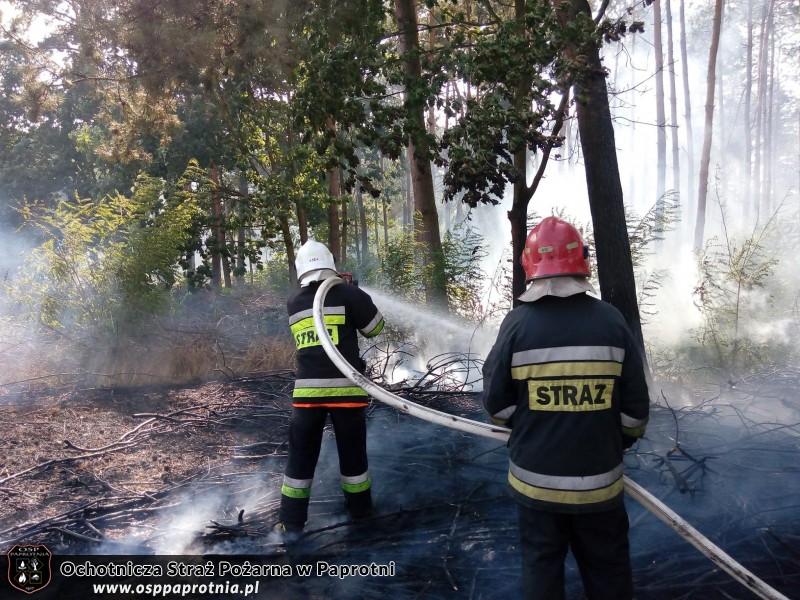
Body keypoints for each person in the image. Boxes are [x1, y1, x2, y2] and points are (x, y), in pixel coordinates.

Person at [481, 216, 650, 600]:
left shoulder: (517, 324)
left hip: (535, 486)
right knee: (608, 574)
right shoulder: (611, 321)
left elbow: (496, 405)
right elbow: (636, 412)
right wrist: (614, 442)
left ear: (529, 266)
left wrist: (528, 426)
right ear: (581, 263)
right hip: (599, 486)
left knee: (542, 571)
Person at [276, 239, 385, 536]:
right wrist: (357, 292)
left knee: (300, 457)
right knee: (353, 456)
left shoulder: (294, 302)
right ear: (330, 264)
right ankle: (360, 514)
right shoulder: (349, 293)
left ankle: (291, 521)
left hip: (307, 394)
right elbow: (375, 328)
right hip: (346, 391)